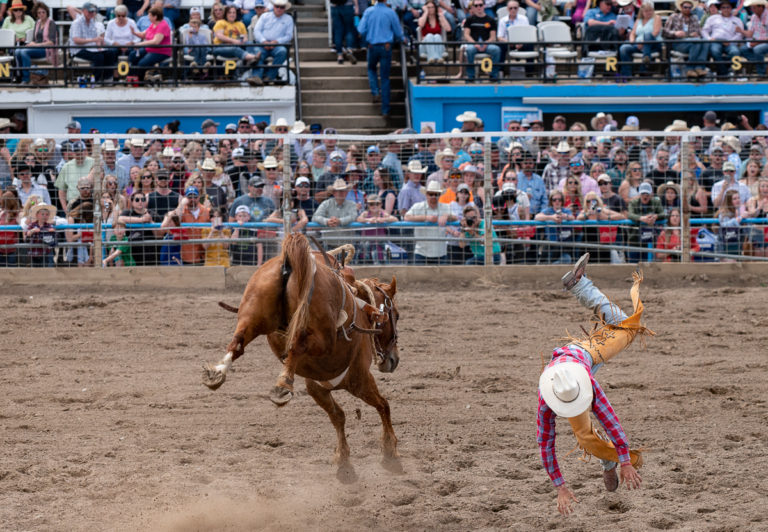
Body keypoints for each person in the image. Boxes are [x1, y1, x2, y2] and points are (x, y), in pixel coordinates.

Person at [538, 254, 647, 516]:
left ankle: (579, 286)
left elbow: (610, 420)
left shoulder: (572, 388)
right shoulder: (549, 400)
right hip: (577, 359)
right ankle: (579, 285)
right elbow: (545, 443)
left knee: (626, 326)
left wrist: (623, 459)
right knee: (626, 326)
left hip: (581, 358)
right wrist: (560, 486)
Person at [357, 0, 404, 118]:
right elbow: (398, 32)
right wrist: (403, 39)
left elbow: (361, 29)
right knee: (385, 78)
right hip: (386, 46)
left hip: (372, 46)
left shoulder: (368, 11)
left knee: (371, 69)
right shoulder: (390, 12)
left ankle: (375, 91)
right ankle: (385, 110)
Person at [404, 180, 456, 264]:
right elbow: (406, 217)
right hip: (422, 252)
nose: (433, 197)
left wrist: (446, 216)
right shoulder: (418, 206)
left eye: (436, 194)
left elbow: (455, 217)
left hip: (440, 252)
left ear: (439, 195)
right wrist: (426, 217)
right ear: (426, 194)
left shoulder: (445, 207)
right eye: (431, 194)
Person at [69, 2, 118, 82]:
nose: (92, 13)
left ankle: (107, 78)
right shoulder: (77, 23)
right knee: (99, 56)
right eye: (90, 11)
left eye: (93, 11)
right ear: (84, 11)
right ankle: (96, 79)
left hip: (91, 48)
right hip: (78, 49)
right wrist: (93, 40)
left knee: (110, 53)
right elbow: (76, 40)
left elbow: (96, 38)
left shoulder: (91, 22)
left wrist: (99, 46)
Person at [13, 1, 58, 85]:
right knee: (17, 51)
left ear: (46, 12)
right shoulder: (37, 23)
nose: (41, 14)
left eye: (43, 12)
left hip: (47, 49)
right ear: (36, 14)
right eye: (39, 13)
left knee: (23, 52)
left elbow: (51, 42)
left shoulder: (51, 23)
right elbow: (35, 39)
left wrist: (35, 45)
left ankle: (26, 79)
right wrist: (30, 44)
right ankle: (20, 76)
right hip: (37, 48)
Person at [251, 0, 294, 84]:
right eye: (277, 6)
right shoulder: (264, 16)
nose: (279, 9)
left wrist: (277, 41)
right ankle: (256, 77)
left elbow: (289, 36)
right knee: (257, 52)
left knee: (282, 51)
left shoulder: (288, 19)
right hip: (262, 44)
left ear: (285, 9)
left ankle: (269, 77)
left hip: (278, 45)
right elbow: (257, 30)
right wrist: (264, 41)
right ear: (273, 7)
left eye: (281, 7)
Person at [662, 0, 708, 78]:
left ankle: (699, 68)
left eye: (689, 7)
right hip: (678, 43)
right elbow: (664, 32)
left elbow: (698, 33)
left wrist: (693, 34)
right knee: (697, 42)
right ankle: (690, 69)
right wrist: (675, 33)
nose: (687, 9)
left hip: (692, 42)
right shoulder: (674, 16)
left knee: (704, 42)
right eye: (685, 7)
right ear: (681, 7)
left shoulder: (694, 18)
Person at [129, 5, 173, 82]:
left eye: (149, 16)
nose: (148, 17)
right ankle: (132, 77)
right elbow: (144, 34)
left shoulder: (163, 25)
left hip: (161, 51)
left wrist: (140, 44)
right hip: (150, 49)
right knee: (133, 55)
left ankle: (140, 81)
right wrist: (134, 33)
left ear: (155, 17)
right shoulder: (153, 24)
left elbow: (156, 42)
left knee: (142, 63)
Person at [618, 1, 661, 79]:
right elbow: (633, 33)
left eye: (650, 10)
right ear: (642, 11)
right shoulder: (638, 20)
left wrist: (643, 43)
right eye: (646, 11)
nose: (649, 13)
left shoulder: (656, 18)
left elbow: (656, 32)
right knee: (624, 48)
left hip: (653, 44)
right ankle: (627, 74)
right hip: (638, 44)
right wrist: (632, 41)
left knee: (648, 35)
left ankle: (645, 63)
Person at [702, 0, 746, 77]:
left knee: (735, 52)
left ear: (731, 8)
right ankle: (725, 73)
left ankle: (722, 71)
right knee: (714, 51)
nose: (726, 9)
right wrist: (709, 38)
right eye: (723, 7)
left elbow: (740, 34)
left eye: (728, 7)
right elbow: (704, 31)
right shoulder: (712, 18)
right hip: (715, 41)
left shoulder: (737, 20)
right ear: (720, 9)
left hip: (730, 42)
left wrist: (730, 41)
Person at [312, 178, 359, 246]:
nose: (341, 193)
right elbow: (315, 217)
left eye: (343, 190)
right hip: (329, 244)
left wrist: (339, 221)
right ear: (334, 193)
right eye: (338, 191)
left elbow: (353, 216)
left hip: (346, 245)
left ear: (346, 192)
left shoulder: (352, 204)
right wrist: (327, 221)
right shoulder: (326, 203)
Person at [627, 181, 666, 261]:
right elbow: (629, 215)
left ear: (651, 194)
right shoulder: (633, 203)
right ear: (639, 194)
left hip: (650, 238)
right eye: (643, 194)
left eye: (647, 194)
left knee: (648, 264)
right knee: (634, 265)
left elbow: (663, 214)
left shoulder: (656, 202)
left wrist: (656, 216)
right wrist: (641, 218)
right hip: (635, 239)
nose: (645, 196)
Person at [462, 0, 500, 81]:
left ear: (484, 6)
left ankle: (493, 75)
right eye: (476, 5)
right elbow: (466, 35)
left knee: (496, 50)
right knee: (469, 49)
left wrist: (486, 43)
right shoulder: (469, 19)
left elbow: (493, 36)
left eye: (480, 5)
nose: (478, 7)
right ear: (473, 7)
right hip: (473, 44)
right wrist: (475, 44)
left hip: (487, 44)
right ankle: (471, 76)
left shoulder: (491, 20)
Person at [356, 194, 397, 264]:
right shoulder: (366, 213)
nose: (374, 206)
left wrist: (382, 219)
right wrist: (368, 220)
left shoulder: (383, 213)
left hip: (379, 247)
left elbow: (395, 219)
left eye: (377, 204)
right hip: (367, 247)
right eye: (371, 204)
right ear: (368, 205)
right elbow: (358, 219)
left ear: (381, 204)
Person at [739, 0, 768, 78]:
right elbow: (750, 33)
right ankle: (764, 67)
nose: (752, 9)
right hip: (758, 41)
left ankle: (761, 74)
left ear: (761, 7)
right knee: (743, 49)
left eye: (754, 7)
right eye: (752, 7)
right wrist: (741, 31)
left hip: (764, 42)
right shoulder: (753, 17)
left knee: (757, 49)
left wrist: (757, 42)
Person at [24, 201, 57, 267]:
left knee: (45, 269)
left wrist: (53, 232)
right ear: (37, 215)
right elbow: (27, 235)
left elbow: (54, 239)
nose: (45, 216)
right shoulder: (32, 225)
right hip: (34, 253)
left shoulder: (49, 226)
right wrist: (32, 231)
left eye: (47, 214)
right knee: (35, 270)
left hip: (45, 253)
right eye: (42, 214)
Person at [331, 0, 360, 64]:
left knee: (337, 32)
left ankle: (340, 55)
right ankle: (349, 49)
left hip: (334, 7)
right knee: (349, 30)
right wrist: (357, 7)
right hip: (348, 6)